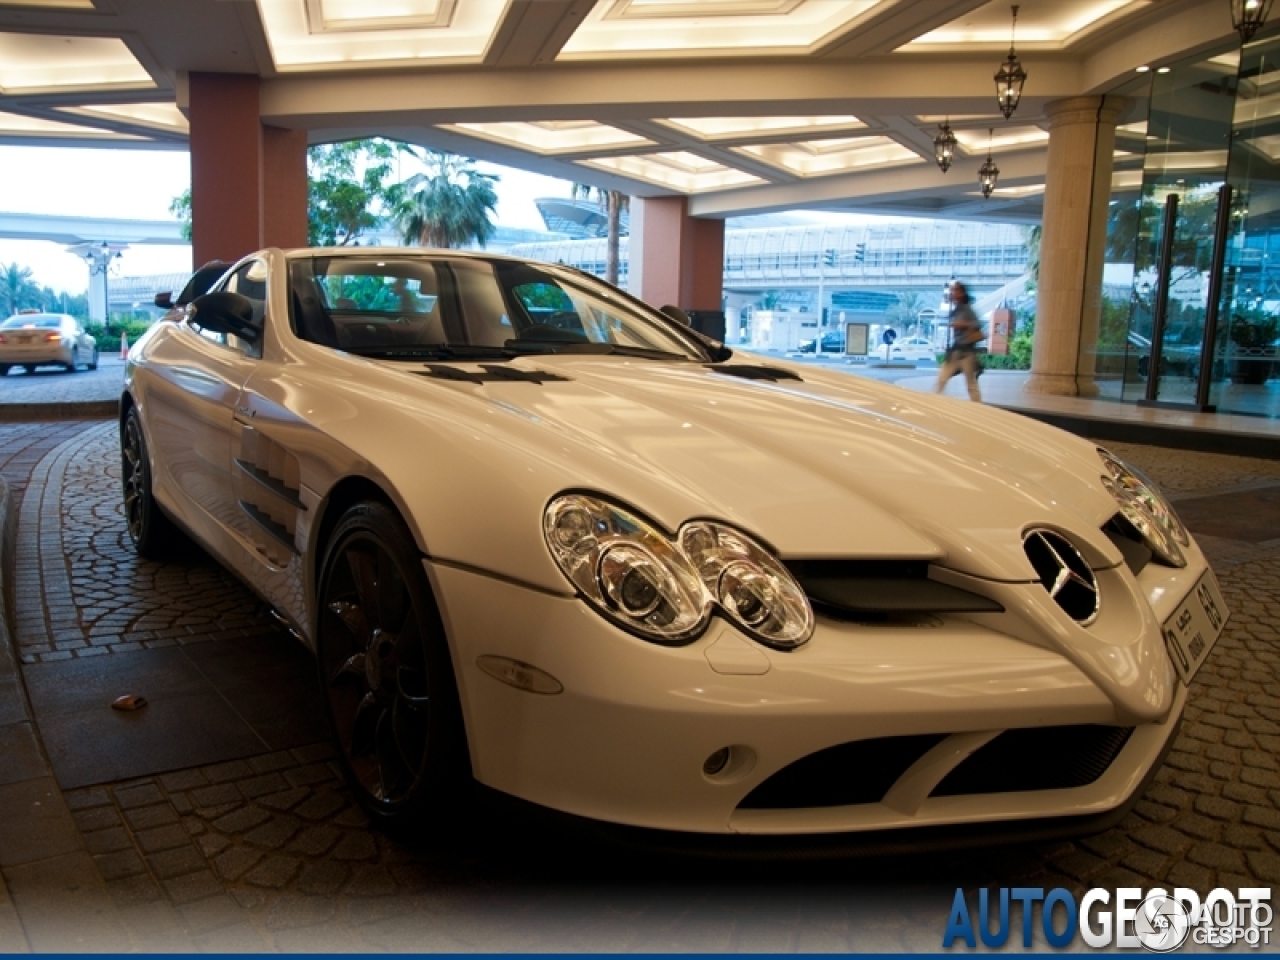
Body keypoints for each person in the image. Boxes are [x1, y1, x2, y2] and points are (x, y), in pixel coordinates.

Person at [935, 281, 984, 402]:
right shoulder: (956, 309)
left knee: (970, 384)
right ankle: (934, 401)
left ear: (962, 293)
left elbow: (977, 324)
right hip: (956, 351)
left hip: (966, 352)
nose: (953, 293)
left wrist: (964, 324)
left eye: (955, 290)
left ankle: (978, 407)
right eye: (952, 290)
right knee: (942, 379)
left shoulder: (967, 309)